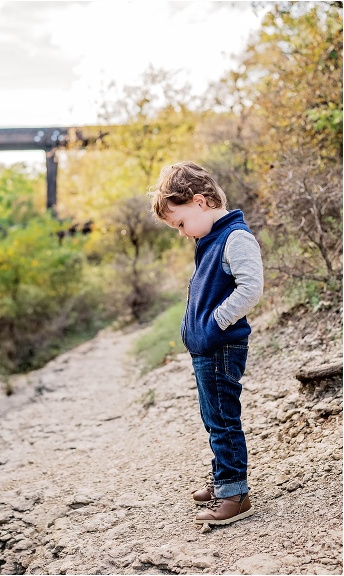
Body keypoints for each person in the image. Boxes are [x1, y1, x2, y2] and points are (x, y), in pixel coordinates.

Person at [150, 161, 263, 526]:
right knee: (213, 418)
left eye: (180, 223)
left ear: (200, 202)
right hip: (208, 349)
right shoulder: (210, 239)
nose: (182, 232)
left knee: (224, 420)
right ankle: (223, 479)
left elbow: (251, 288)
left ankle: (235, 494)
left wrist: (214, 323)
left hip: (222, 345)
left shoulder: (235, 238)